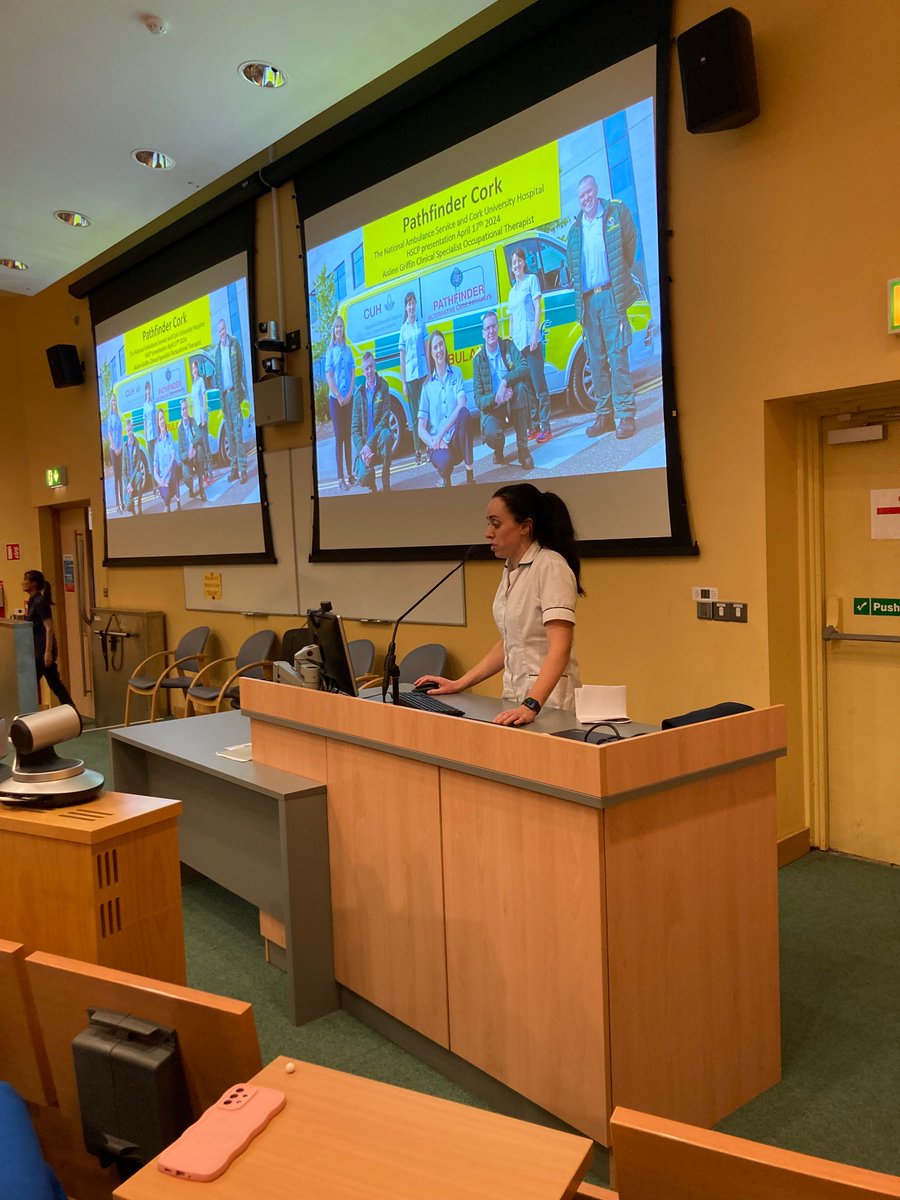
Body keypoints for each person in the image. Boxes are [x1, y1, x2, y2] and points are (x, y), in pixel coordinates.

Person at [416, 483, 582, 724]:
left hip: (549, 704)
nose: (487, 533)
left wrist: (531, 705)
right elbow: (509, 641)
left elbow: (560, 648)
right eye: (488, 523)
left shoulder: (550, 566)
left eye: (496, 524)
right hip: (515, 700)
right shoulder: (511, 569)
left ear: (525, 526)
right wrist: (459, 683)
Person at [565, 174, 639, 440]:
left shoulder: (613, 214)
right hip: (588, 302)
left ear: (596, 192)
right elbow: (572, 266)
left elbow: (629, 245)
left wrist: (619, 276)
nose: (585, 199)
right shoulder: (575, 231)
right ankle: (605, 416)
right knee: (596, 362)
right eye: (581, 195)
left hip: (611, 296)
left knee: (618, 357)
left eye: (589, 193)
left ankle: (626, 416)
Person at [472, 310, 534, 470]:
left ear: (498, 327)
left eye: (493, 326)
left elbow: (524, 367)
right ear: (483, 333)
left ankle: (523, 449)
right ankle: (498, 448)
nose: (491, 331)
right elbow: (479, 400)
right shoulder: (478, 360)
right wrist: (497, 397)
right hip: (494, 409)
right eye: (487, 328)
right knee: (492, 435)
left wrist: (505, 382)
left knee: (520, 388)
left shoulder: (507, 346)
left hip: (512, 401)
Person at [417, 329, 474, 487]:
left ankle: (470, 475)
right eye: (435, 347)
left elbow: (462, 404)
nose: (439, 350)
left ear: (445, 346)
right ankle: (446, 479)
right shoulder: (427, 387)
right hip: (438, 445)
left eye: (441, 345)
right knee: (445, 462)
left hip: (455, 438)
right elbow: (420, 429)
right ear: (431, 353)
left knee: (464, 413)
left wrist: (442, 433)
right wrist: (434, 441)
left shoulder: (456, 373)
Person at [508, 247, 552, 442]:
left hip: (531, 341)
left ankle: (546, 427)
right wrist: (511, 346)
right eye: (513, 263)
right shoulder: (512, 291)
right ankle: (534, 425)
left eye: (519, 261)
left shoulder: (531, 280)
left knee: (539, 384)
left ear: (524, 262)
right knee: (527, 388)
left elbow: (537, 309)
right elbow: (511, 320)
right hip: (519, 345)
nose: (516, 265)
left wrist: (535, 335)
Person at [22, 569, 76, 710]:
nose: (22, 583)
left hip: (42, 650)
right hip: (38, 649)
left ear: (33, 583)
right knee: (54, 682)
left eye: (25, 580)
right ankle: (70, 708)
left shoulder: (40, 602)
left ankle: (27, 712)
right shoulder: (33, 601)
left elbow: (49, 628)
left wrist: (48, 652)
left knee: (29, 684)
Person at [350, 351, 394, 493]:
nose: (369, 371)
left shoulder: (383, 386)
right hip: (365, 446)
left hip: (378, 440)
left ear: (375, 367)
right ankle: (371, 485)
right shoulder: (358, 395)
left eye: (371, 367)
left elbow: (385, 418)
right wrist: (363, 450)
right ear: (362, 371)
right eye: (366, 368)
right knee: (361, 477)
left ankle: (385, 479)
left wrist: (370, 444)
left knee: (387, 435)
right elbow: (354, 429)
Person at [213, 318, 248, 483]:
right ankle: (234, 468)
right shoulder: (217, 352)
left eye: (222, 329)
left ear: (225, 329)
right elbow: (217, 377)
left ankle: (242, 470)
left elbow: (239, 366)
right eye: (218, 331)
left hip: (234, 394)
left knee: (237, 432)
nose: (221, 333)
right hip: (224, 397)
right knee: (229, 435)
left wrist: (239, 389)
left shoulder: (234, 344)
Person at [324, 316, 356, 491]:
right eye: (336, 327)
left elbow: (353, 373)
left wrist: (350, 393)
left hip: (348, 399)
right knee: (339, 438)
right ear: (333, 330)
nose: (338, 330)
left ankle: (350, 474)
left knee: (348, 437)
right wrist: (339, 396)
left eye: (340, 327)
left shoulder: (347, 350)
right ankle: (340, 478)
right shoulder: (330, 351)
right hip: (336, 401)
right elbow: (329, 377)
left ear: (343, 329)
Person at [397, 291, 428, 463]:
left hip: (423, 373)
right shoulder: (403, 329)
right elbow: (402, 358)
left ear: (416, 305)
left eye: (413, 302)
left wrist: (430, 372)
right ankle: (418, 451)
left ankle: (429, 447)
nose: (411, 306)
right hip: (410, 377)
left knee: (426, 412)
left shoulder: (421, 324)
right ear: (405, 307)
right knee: (415, 416)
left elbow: (426, 347)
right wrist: (403, 382)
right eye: (408, 303)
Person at [177, 398, 207, 502]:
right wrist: (188, 455)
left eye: (186, 408)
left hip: (194, 452)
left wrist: (192, 446)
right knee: (187, 478)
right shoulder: (179, 428)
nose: (184, 411)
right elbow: (180, 452)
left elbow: (199, 435)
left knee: (199, 450)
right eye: (182, 409)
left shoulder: (192, 421)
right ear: (180, 412)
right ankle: (190, 488)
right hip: (187, 457)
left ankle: (202, 489)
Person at [189, 358, 213, 484]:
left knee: (206, 445)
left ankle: (210, 473)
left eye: (195, 368)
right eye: (192, 368)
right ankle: (205, 475)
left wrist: (203, 415)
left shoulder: (201, 381)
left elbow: (204, 398)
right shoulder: (192, 386)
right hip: (196, 421)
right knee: (201, 449)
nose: (194, 370)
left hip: (202, 419)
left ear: (198, 369)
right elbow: (193, 404)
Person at [153, 408, 180, 511]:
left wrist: (165, 477)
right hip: (163, 481)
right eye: (160, 419)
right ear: (158, 423)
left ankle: (178, 500)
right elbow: (155, 470)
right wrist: (161, 481)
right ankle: (167, 504)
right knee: (166, 495)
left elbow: (173, 457)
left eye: (163, 418)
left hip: (170, 476)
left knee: (175, 464)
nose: (162, 421)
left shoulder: (170, 436)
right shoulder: (156, 444)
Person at [122, 417, 144, 515]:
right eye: (128, 431)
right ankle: (133, 510)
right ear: (126, 432)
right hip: (128, 481)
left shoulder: (137, 443)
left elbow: (138, 464)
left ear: (132, 429)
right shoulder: (125, 447)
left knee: (139, 478)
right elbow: (123, 471)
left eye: (130, 430)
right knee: (128, 505)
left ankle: (139, 506)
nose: (129, 432)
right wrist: (127, 485)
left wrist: (131, 482)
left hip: (135, 477)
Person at [107, 394, 125, 513]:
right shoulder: (110, 417)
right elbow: (110, 434)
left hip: (120, 449)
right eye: (112, 401)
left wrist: (120, 447)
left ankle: (123, 501)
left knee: (121, 476)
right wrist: (114, 448)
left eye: (115, 401)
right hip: (114, 451)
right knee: (116, 477)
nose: (114, 403)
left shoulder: (118, 416)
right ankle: (117, 504)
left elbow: (121, 432)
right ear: (110, 403)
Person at [142, 381, 157, 482]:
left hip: (155, 435)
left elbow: (155, 419)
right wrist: (146, 438)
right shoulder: (145, 405)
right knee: (151, 461)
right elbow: (145, 423)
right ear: (145, 391)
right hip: (149, 437)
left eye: (149, 388)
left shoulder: (153, 402)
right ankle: (154, 484)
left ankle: (159, 481)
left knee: (157, 459)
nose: (148, 390)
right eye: (147, 389)